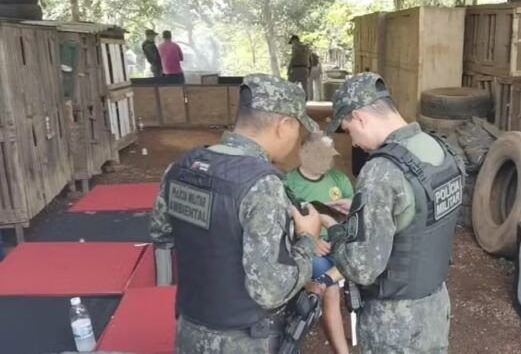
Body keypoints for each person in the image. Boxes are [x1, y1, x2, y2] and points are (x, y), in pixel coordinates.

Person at [150, 73, 322, 354]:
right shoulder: (261, 184)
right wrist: (306, 240)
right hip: (244, 341)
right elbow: (269, 289)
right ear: (284, 125)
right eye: (298, 129)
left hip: (189, 330)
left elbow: (161, 233)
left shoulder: (182, 167)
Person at [315, 72, 465, 353]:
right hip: (435, 306)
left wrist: (334, 228)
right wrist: (368, 210)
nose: (355, 142)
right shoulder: (442, 149)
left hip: (394, 324)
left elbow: (362, 267)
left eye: (348, 131)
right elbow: (421, 214)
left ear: (360, 117)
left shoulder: (381, 171)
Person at [284, 132, 353, 354]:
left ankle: (324, 282)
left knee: (359, 260)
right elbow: (283, 226)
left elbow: (353, 219)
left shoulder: (339, 179)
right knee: (331, 290)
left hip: (338, 242)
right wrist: (310, 240)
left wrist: (350, 209)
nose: (327, 162)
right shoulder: (289, 183)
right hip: (310, 248)